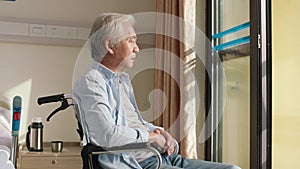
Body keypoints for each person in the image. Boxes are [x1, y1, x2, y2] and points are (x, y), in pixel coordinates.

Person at [73, 13, 240, 169]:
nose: (136, 48)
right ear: (109, 45)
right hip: (139, 163)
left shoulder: (121, 81)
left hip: (159, 156)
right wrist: (152, 137)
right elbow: (107, 135)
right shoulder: (92, 83)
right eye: (131, 41)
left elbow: (133, 123)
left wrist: (161, 133)